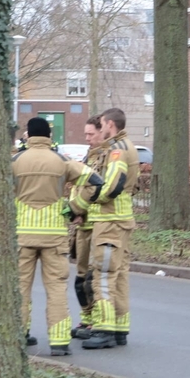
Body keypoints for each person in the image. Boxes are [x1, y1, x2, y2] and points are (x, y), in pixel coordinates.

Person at [13, 117, 103, 356]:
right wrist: (75, 207)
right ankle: (59, 342)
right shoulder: (62, 161)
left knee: (20, 289)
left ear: (28, 135)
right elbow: (95, 181)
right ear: (49, 136)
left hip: (21, 235)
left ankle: (19, 336)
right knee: (56, 289)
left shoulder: (15, 161)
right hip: (54, 236)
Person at [84, 108, 140, 349]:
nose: (101, 127)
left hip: (110, 222)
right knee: (119, 276)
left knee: (104, 274)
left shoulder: (117, 149)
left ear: (110, 124)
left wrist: (93, 199)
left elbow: (113, 184)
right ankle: (119, 327)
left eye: (103, 124)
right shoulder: (128, 145)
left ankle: (104, 328)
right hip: (122, 220)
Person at [70, 116, 107, 341]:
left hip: (97, 225)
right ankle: (86, 317)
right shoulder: (88, 156)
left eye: (91, 134)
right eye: (85, 134)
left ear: (102, 132)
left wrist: (76, 208)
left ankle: (96, 321)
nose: (87, 138)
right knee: (81, 279)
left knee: (94, 278)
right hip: (83, 225)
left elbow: (97, 189)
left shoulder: (106, 157)